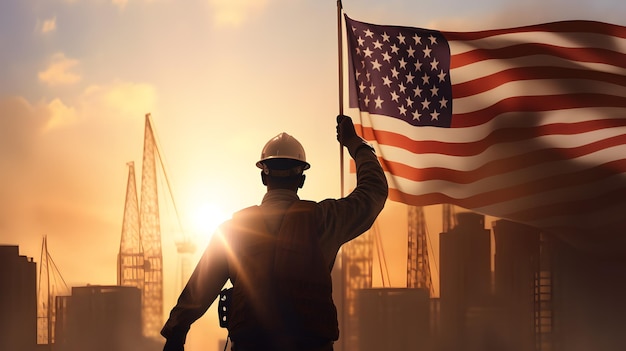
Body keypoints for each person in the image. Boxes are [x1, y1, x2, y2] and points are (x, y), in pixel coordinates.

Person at [161, 115, 388, 351]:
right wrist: (355, 143)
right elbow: (372, 192)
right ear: (301, 179)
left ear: (263, 176)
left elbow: (199, 289)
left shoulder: (233, 231)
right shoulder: (324, 220)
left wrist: (176, 332)